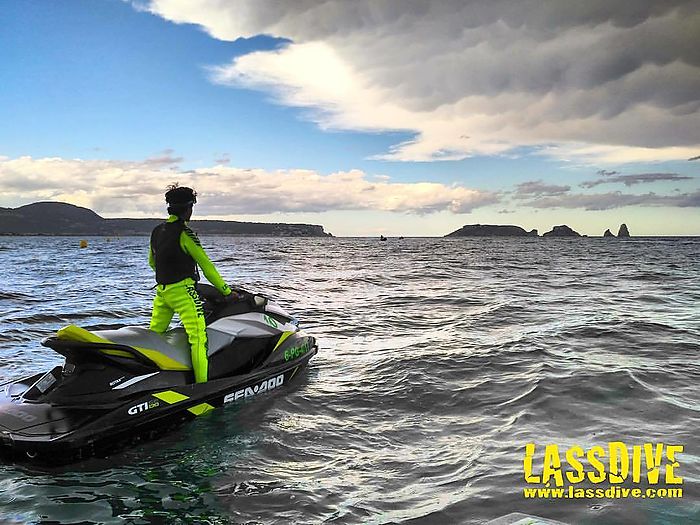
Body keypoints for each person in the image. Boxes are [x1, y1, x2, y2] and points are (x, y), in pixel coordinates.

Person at [149, 184, 233, 383]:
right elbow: (207, 267)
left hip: (162, 293)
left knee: (154, 336)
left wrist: (169, 278)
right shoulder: (186, 234)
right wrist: (226, 291)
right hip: (183, 293)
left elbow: (152, 263)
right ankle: (202, 388)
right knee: (198, 339)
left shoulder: (157, 231)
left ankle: (149, 378)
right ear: (188, 208)